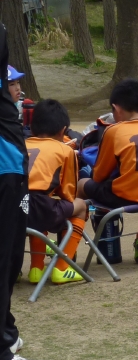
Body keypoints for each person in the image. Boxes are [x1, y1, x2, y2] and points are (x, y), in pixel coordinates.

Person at [0, 0, 50, 360]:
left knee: (12, 250)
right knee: (5, 253)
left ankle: (6, 331)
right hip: (2, 161)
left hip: (10, 156)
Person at [79, 79, 138, 265]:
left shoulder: (114, 131)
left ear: (116, 109)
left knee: (82, 185)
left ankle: (69, 245)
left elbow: (99, 176)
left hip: (125, 195)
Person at [25, 99, 87, 285]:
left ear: (31, 128)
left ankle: (36, 269)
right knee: (80, 206)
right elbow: (68, 194)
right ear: (63, 131)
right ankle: (62, 268)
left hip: (12, 208)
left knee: (37, 208)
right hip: (40, 207)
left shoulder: (20, 144)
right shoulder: (64, 150)